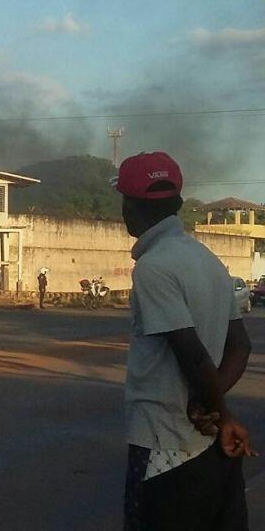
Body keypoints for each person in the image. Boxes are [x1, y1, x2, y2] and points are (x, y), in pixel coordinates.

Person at [116, 152, 255, 531]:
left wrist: (215, 409)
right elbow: (240, 345)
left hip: (166, 444)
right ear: (176, 202)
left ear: (131, 206)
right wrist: (216, 408)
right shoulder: (206, 258)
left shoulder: (154, 267)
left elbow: (189, 352)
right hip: (210, 447)